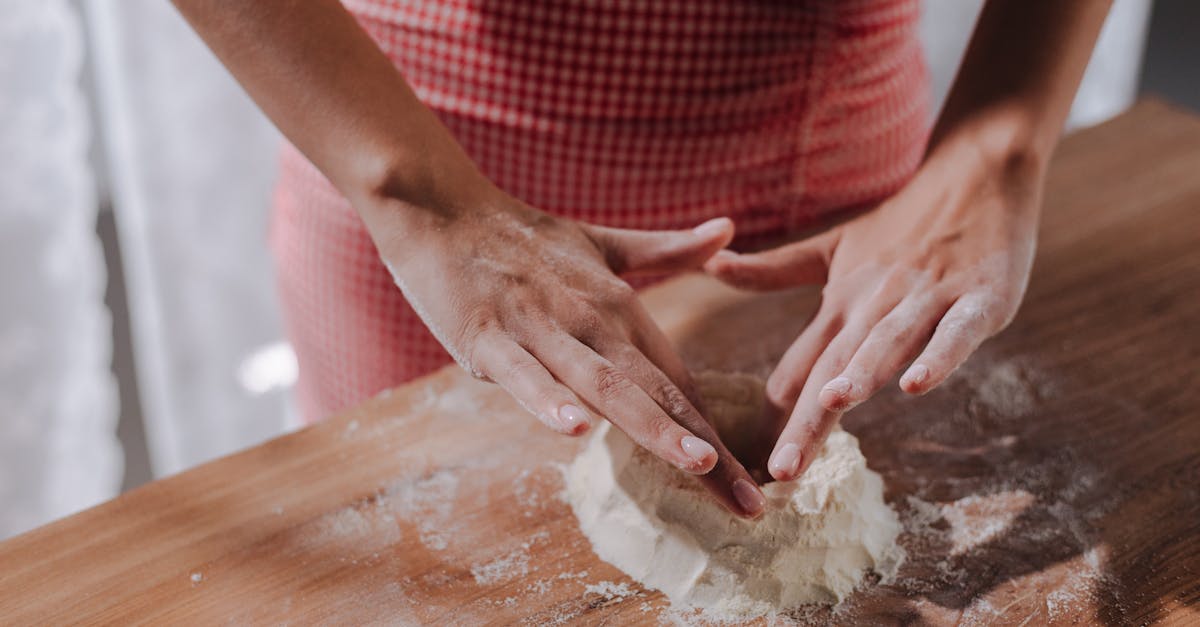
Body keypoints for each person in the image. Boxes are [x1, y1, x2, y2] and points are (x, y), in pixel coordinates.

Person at [172, 0, 1112, 519]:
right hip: (409, 179)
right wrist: (413, 196)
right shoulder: (411, 195)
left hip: (836, 217)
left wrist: (997, 145)